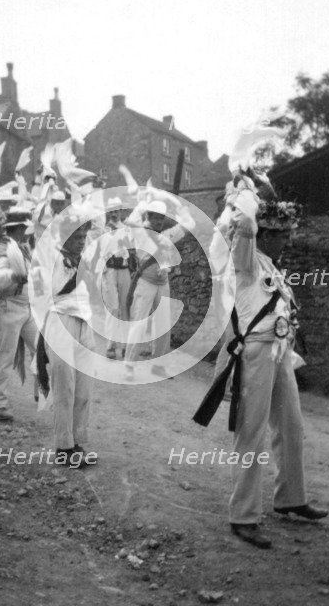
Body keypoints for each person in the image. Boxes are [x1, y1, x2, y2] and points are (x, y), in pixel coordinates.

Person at [224, 188, 327, 548]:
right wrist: (244, 190)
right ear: (265, 235)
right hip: (255, 353)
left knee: (291, 425)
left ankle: (290, 497)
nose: (288, 240)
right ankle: (243, 515)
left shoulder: (272, 268)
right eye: (282, 234)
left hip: (279, 352)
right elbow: (245, 225)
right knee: (251, 432)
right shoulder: (246, 259)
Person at [33, 207, 96, 468]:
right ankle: (63, 446)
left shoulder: (83, 259)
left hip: (84, 322)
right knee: (65, 386)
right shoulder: (51, 258)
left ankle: (78, 440)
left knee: (84, 387)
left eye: (84, 235)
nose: (82, 240)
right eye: (77, 235)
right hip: (60, 322)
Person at [0, 207, 38, 422]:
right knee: (6, 356)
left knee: (42, 350)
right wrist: (12, 275)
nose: (27, 232)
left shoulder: (22, 248)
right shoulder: (1, 250)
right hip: (9, 307)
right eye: (25, 228)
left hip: (26, 308)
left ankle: (43, 390)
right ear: (19, 228)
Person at [123, 200, 194, 380]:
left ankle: (158, 366)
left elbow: (189, 224)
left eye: (161, 218)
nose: (159, 221)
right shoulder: (141, 234)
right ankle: (129, 365)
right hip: (145, 282)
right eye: (155, 217)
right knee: (138, 323)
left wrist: (179, 207)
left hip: (162, 282)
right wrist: (143, 201)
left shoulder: (167, 235)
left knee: (163, 324)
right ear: (148, 217)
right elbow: (131, 221)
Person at [101, 197, 133, 359]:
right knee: (113, 308)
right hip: (110, 270)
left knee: (125, 307)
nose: (114, 214)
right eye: (111, 211)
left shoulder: (126, 228)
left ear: (120, 212)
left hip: (124, 268)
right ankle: (111, 345)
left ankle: (125, 346)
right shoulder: (102, 229)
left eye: (116, 211)